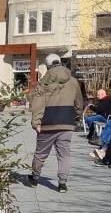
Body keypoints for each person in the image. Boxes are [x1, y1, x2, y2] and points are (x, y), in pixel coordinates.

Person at [25, 54, 83, 193]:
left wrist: (36, 122)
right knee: (64, 154)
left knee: (41, 153)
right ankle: (62, 183)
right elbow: (79, 103)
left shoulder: (44, 82)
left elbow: (38, 104)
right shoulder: (73, 81)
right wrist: (76, 117)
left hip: (48, 122)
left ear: (48, 65)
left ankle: (35, 178)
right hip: (66, 123)